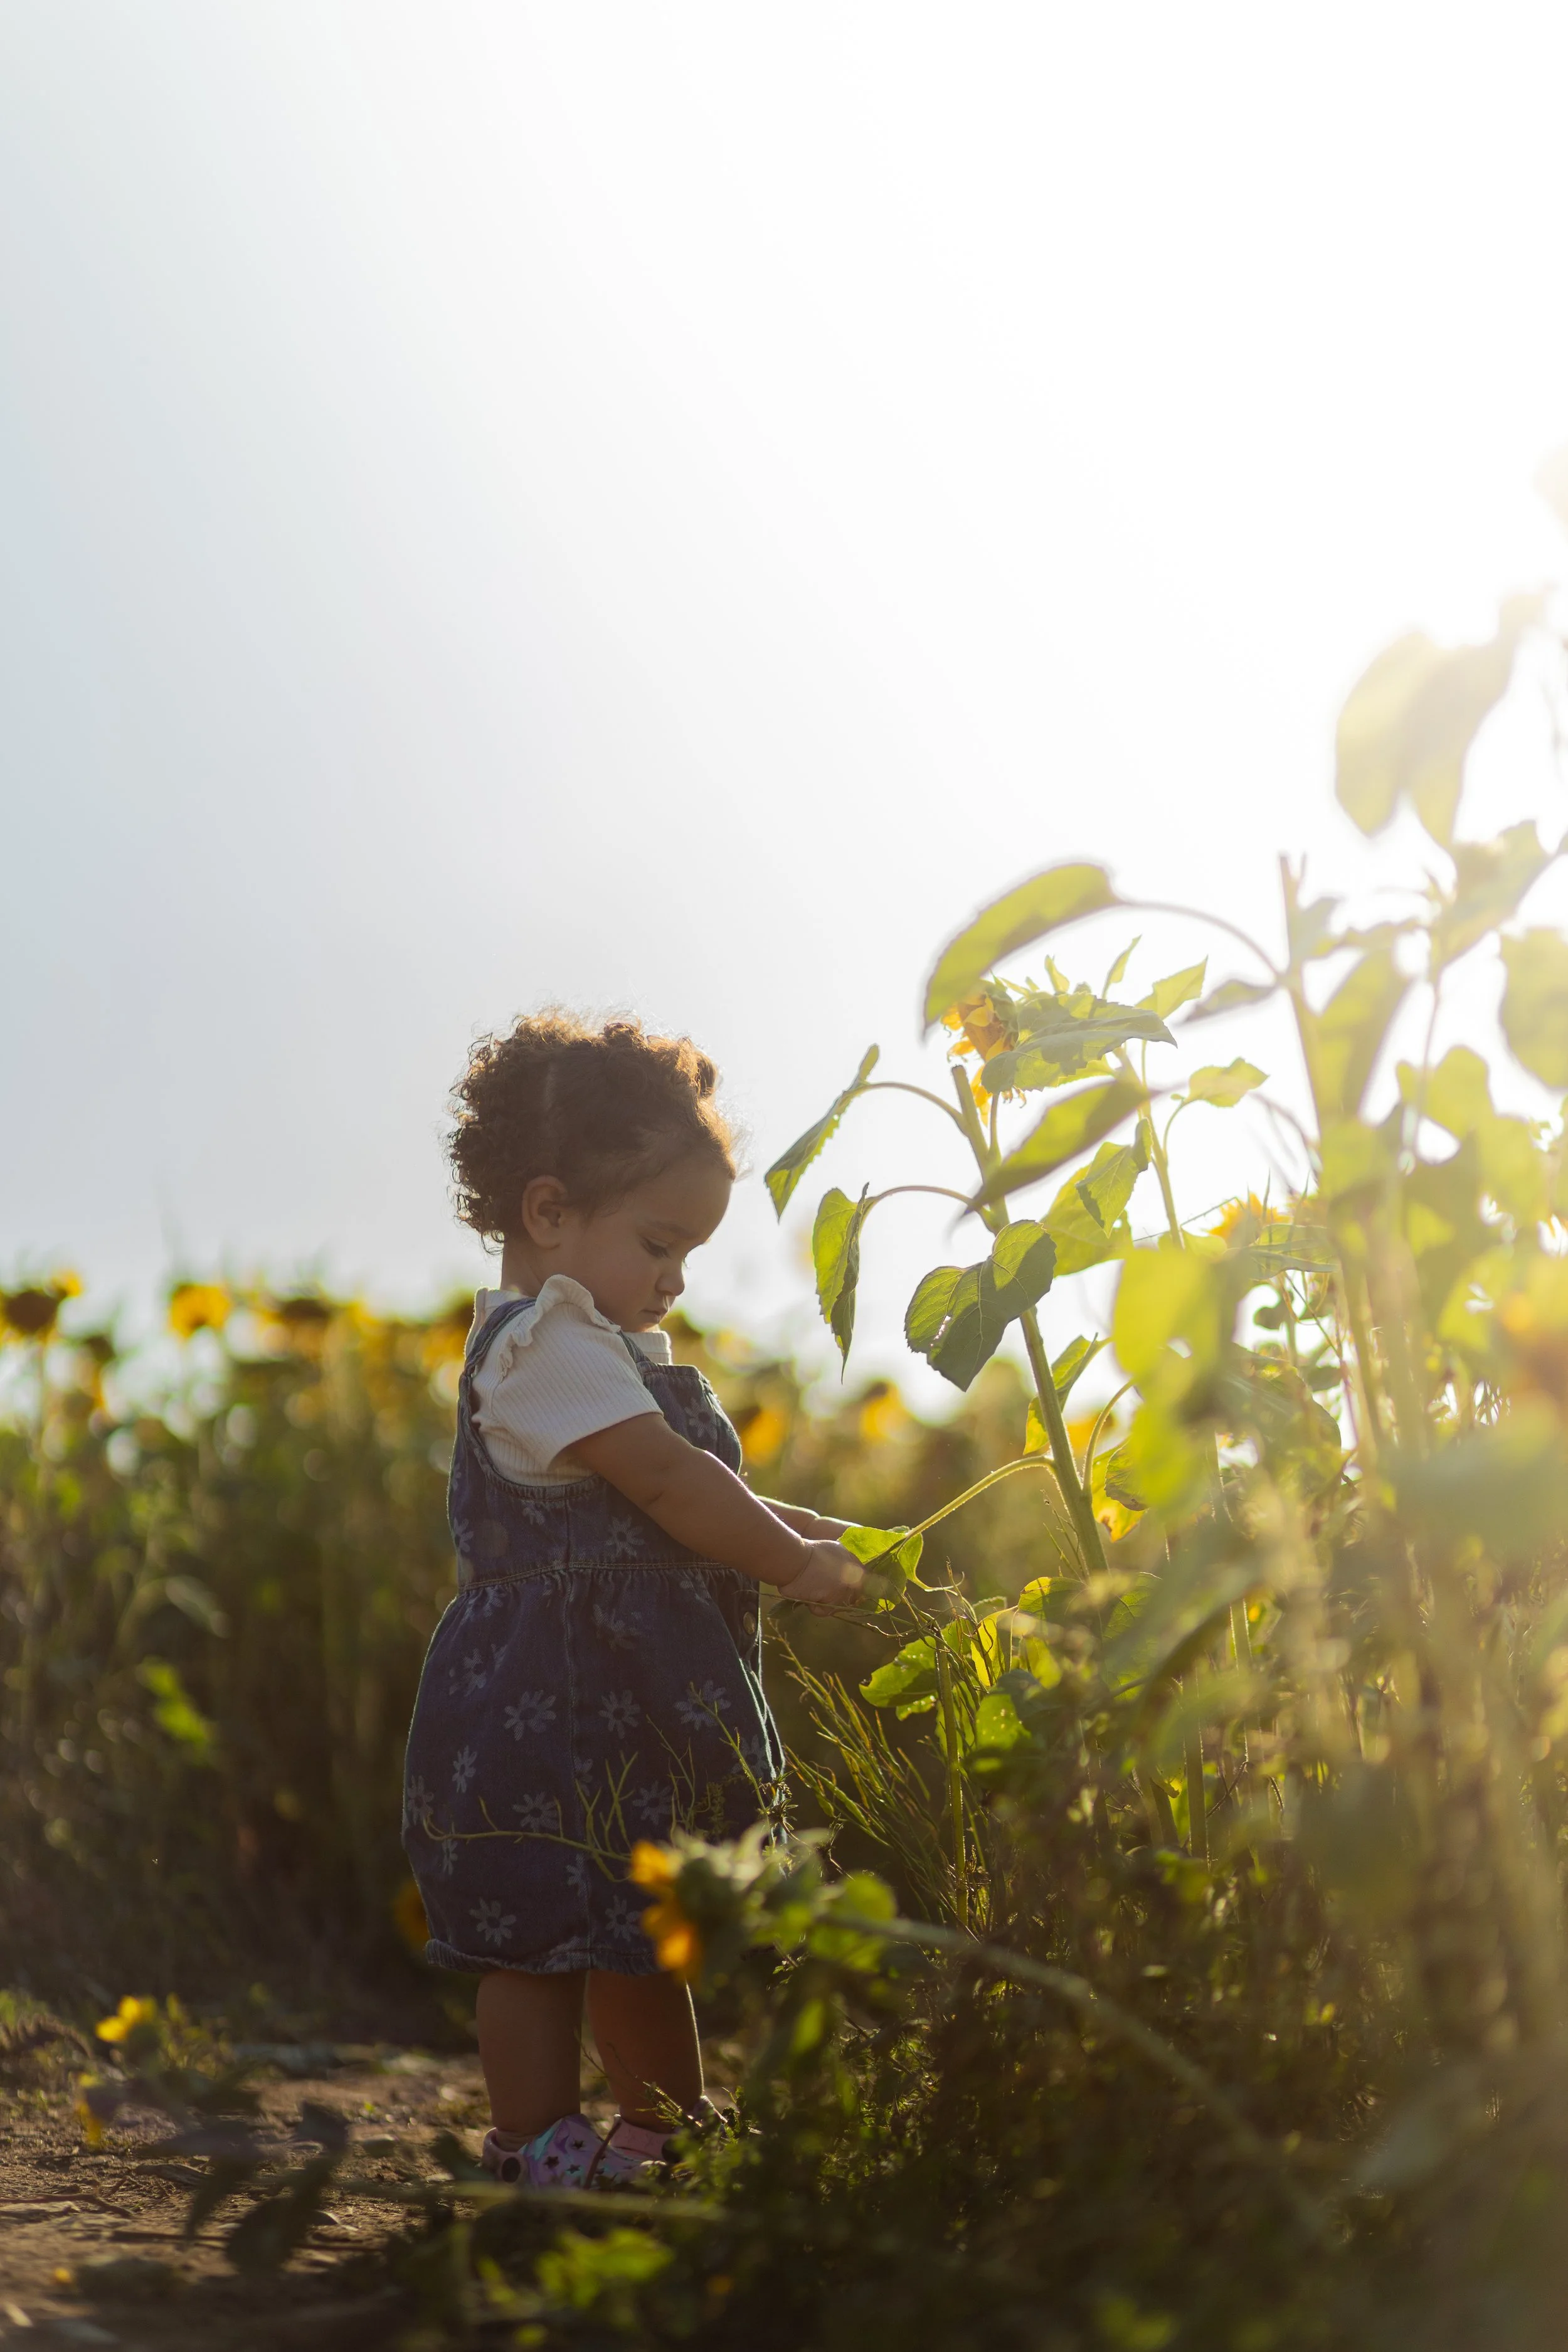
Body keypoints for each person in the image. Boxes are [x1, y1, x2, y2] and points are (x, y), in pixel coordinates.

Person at [402, 1010, 864, 2188]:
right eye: (660, 1244)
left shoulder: (587, 1349)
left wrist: (820, 1536)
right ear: (548, 1212)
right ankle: (545, 2137)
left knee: (632, 1935)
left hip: (613, 1708)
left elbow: (679, 1516)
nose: (673, 1279)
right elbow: (668, 1482)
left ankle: (648, 2132)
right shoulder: (546, 1345)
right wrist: (791, 1562)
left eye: (689, 1255)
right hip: (555, 1711)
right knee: (550, 1943)